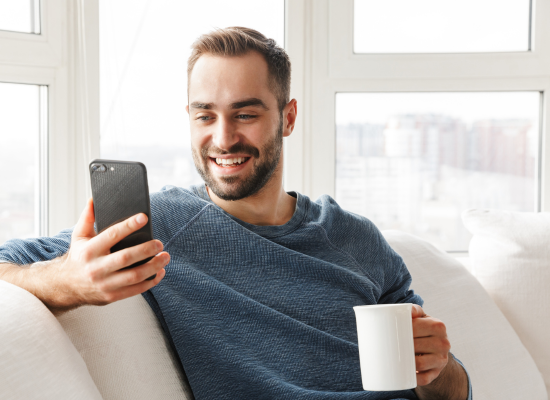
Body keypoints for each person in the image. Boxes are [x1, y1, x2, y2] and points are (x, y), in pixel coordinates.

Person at [0, 27, 471, 400]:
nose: (223, 139)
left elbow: (450, 390)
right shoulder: (157, 225)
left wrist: (439, 371)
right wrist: (68, 282)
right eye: (205, 115)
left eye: (245, 114)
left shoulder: (355, 238)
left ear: (286, 118)